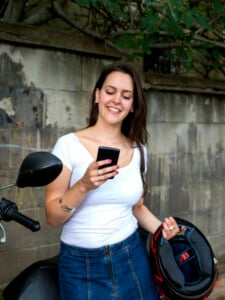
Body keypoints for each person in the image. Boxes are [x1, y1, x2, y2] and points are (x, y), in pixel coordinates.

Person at [45, 62, 182, 300]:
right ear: (97, 95)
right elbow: (52, 217)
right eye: (110, 92)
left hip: (132, 257)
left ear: (132, 106)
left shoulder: (139, 151)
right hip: (80, 266)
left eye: (126, 96)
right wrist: (83, 185)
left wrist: (163, 231)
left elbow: (137, 207)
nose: (117, 100)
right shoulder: (68, 145)